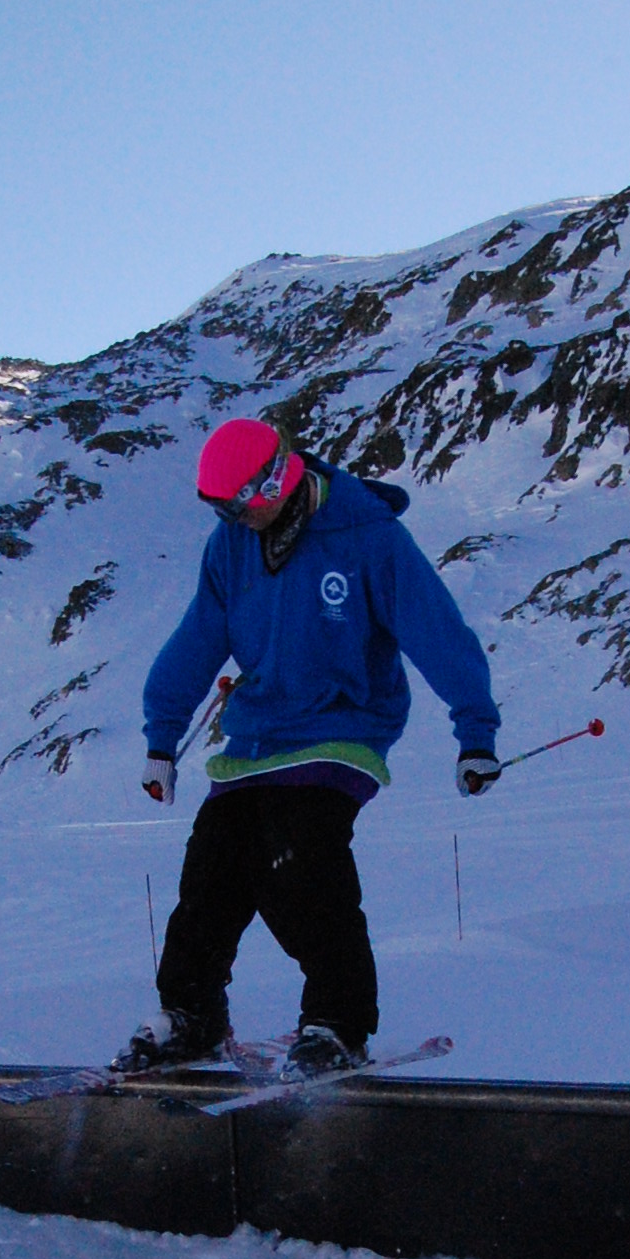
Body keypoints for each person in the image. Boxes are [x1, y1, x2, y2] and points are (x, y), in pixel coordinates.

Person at [120, 417, 501, 1076]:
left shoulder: (369, 536)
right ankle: (191, 1013)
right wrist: (162, 736)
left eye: (239, 504)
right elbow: (198, 638)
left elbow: (437, 631)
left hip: (343, 727)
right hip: (258, 735)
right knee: (214, 862)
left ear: (275, 479)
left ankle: (338, 1023)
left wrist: (476, 732)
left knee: (299, 861)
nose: (233, 519)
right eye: (221, 509)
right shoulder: (232, 544)